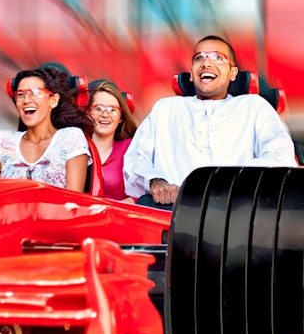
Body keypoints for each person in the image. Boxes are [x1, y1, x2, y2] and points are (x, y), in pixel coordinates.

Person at [124, 35, 298, 209]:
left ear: (233, 73)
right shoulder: (165, 108)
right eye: (199, 58)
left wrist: (228, 181)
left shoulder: (254, 106)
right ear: (191, 74)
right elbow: (136, 159)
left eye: (217, 57)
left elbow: (280, 157)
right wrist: (155, 181)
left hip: (235, 211)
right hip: (171, 211)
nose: (206, 63)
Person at [0, 65, 93, 192]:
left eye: (35, 93)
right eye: (20, 94)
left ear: (53, 100)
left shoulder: (71, 137)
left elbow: (74, 200)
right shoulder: (2, 140)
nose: (26, 100)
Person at [87, 80, 137, 202]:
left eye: (112, 110)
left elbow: (142, 191)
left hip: (118, 217)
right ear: (88, 113)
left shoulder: (130, 147)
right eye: (98, 109)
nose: (105, 115)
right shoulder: (76, 145)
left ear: (121, 117)